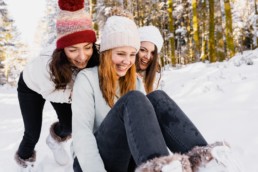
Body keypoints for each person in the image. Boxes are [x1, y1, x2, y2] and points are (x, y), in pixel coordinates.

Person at [72, 8, 241, 172]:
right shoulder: (87, 79)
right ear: (106, 53)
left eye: (132, 54)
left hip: (126, 161)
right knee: (135, 99)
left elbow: (143, 130)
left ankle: (205, 164)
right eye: (121, 54)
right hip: (92, 162)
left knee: (156, 98)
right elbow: (82, 135)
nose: (127, 61)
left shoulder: (134, 81)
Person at [14, 0, 99, 171]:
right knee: (32, 133)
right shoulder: (47, 65)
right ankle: (25, 163)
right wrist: (74, 94)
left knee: (69, 125)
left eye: (87, 47)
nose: (82, 57)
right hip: (32, 87)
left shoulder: (94, 58)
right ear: (62, 50)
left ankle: (54, 141)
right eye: (73, 50)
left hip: (64, 86)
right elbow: (50, 93)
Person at [136, 25, 164, 94]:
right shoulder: (121, 72)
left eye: (152, 53)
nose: (148, 57)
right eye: (143, 50)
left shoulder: (154, 78)